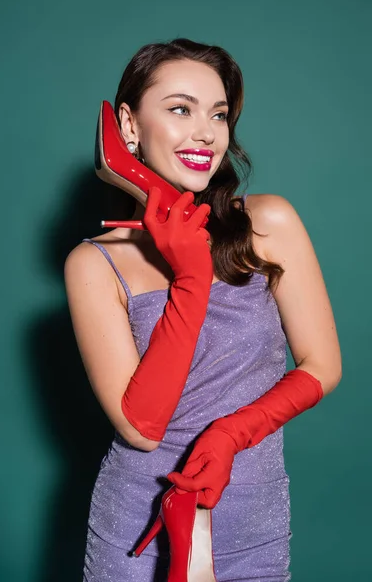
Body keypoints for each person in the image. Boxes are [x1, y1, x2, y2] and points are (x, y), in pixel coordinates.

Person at [64, 38, 342, 582]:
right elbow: (143, 429)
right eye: (179, 109)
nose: (206, 133)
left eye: (218, 114)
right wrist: (191, 278)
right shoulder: (92, 265)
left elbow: (322, 364)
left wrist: (230, 433)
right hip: (136, 523)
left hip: (250, 515)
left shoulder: (269, 222)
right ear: (128, 124)